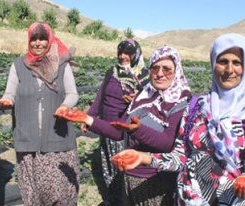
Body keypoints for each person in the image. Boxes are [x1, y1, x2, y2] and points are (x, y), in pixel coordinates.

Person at [111, 33, 245, 205]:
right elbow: (181, 157)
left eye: (237, 62)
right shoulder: (197, 106)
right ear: (213, 64)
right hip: (188, 199)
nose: (229, 70)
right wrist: (143, 157)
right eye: (223, 62)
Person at [56, 45, 191, 205]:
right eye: (155, 68)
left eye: (167, 69)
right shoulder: (144, 94)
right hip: (129, 176)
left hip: (156, 182)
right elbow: (120, 132)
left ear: (177, 71)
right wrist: (88, 119)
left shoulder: (181, 102)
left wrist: (138, 130)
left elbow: (167, 142)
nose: (160, 74)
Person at [0, 21, 80, 206]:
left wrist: (65, 106)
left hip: (57, 140)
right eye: (34, 38)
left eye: (42, 38)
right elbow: (9, 92)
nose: (38, 43)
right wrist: (7, 101)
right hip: (28, 142)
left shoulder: (61, 64)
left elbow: (73, 93)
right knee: (33, 195)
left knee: (58, 193)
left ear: (49, 40)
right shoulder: (19, 64)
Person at [81, 38, 149, 205]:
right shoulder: (111, 72)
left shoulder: (144, 76)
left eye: (127, 53)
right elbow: (100, 98)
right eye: (121, 53)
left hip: (124, 132)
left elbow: (150, 104)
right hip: (106, 127)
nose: (123, 56)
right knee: (108, 165)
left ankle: (124, 200)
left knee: (123, 168)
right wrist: (89, 117)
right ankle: (112, 198)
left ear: (135, 55)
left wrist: (136, 100)